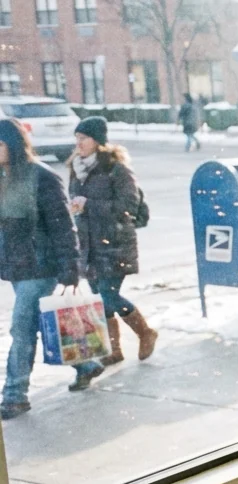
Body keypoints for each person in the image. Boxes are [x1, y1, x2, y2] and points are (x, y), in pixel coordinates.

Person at [0, 119, 104, 419]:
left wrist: (70, 269)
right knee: (40, 324)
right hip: (17, 267)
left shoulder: (41, 177)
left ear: (15, 145)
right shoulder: (2, 176)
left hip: (40, 265)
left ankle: (14, 395)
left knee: (21, 328)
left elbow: (63, 226)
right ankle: (86, 364)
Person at [69, 117, 158, 365]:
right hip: (89, 244)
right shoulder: (76, 168)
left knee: (107, 296)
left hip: (115, 242)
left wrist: (90, 206)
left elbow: (128, 206)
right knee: (99, 298)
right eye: (76, 138)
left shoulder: (116, 169)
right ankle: (114, 350)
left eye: (84, 138)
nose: (79, 143)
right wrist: (76, 208)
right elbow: (76, 200)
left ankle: (145, 332)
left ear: (98, 141)